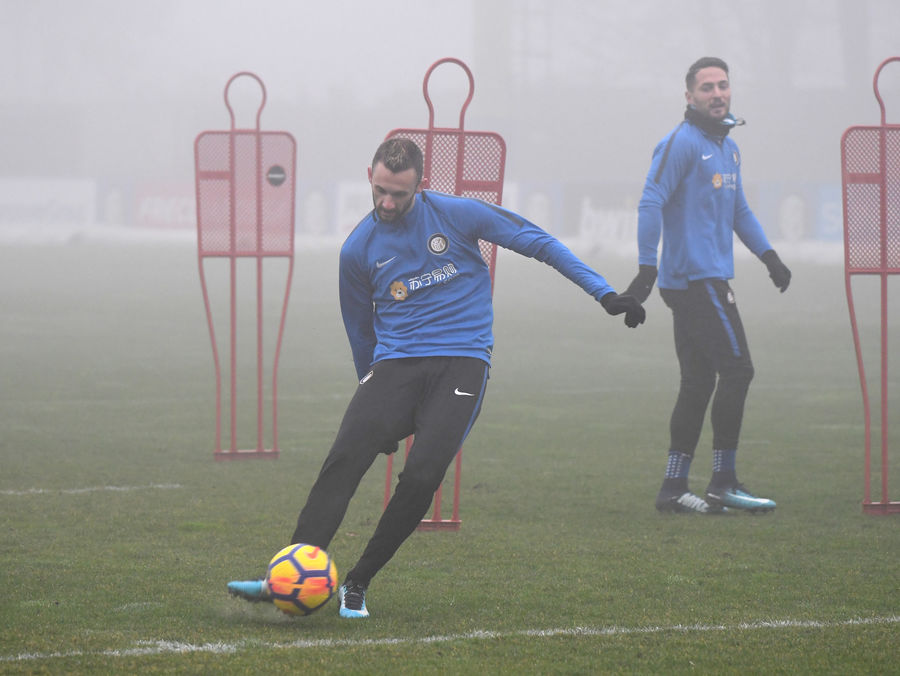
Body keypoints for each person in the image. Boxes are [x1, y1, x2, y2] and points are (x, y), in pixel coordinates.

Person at [228, 137, 646, 617]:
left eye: (399, 194)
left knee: (423, 475)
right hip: (395, 366)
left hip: (463, 362)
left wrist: (604, 294)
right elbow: (360, 333)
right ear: (369, 176)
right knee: (343, 458)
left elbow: (538, 242)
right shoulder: (357, 250)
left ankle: (358, 582)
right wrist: (372, 400)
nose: (387, 203)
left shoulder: (456, 214)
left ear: (420, 185)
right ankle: (285, 579)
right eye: (380, 190)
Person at [624, 57, 791, 515]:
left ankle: (673, 488)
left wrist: (769, 256)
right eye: (707, 87)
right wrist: (646, 269)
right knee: (738, 371)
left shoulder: (728, 148)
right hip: (695, 280)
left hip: (706, 278)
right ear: (690, 96)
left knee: (698, 382)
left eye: (722, 85)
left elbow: (740, 211)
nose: (717, 94)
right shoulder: (681, 143)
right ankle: (723, 481)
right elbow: (650, 201)